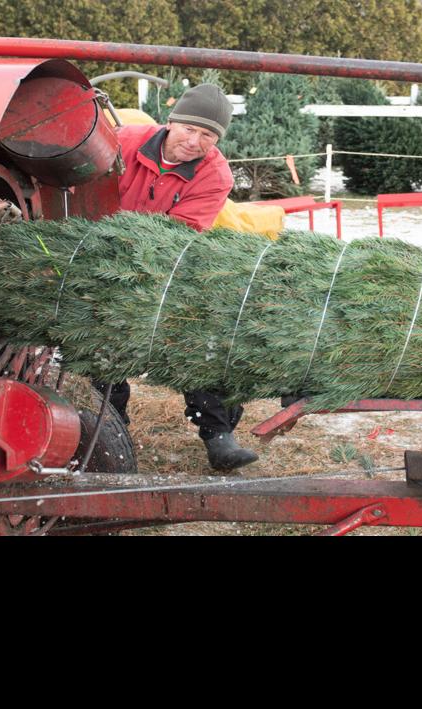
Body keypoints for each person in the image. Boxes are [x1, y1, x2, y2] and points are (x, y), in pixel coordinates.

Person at [93, 82, 258, 471]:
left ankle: (218, 435)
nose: (195, 141)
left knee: (196, 336)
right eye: (189, 129)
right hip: (98, 256)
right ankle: (109, 431)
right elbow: (84, 194)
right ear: (171, 122)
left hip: (169, 264)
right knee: (99, 345)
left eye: (208, 135)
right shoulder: (122, 142)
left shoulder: (215, 174)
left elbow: (178, 235)